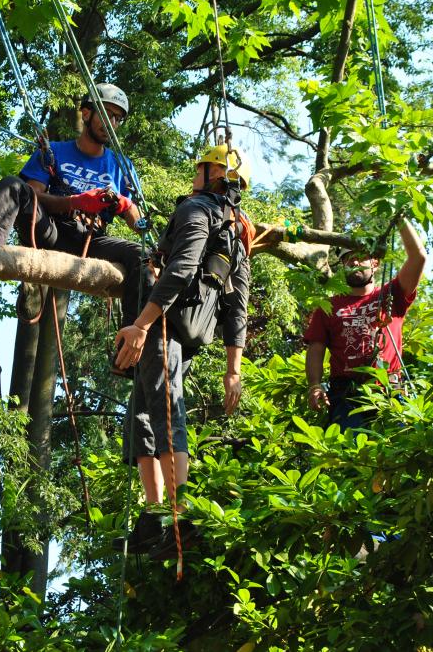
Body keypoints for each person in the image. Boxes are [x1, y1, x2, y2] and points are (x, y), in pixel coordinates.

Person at [112, 144, 253, 559]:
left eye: (201, 168)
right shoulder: (237, 234)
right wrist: (233, 368)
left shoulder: (196, 211)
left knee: (164, 409)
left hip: (164, 323)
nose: (195, 175)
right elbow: (236, 304)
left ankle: (178, 512)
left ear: (214, 174)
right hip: (190, 330)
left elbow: (183, 267)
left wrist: (143, 323)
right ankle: (156, 512)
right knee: (143, 408)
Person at [0, 83, 149, 324]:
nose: (112, 122)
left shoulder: (121, 166)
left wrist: (124, 205)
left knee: (142, 256)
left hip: (91, 241)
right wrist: (75, 201)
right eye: (106, 113)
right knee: (14, 185)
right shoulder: (54, 152)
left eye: (118, 118)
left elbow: (140, 224)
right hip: (51, 230)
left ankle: (133, 337)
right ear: (87, 113)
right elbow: (35, 195)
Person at [304, 218, 427, 429]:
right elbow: (316, 348)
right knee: (349, 454)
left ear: (375, 263)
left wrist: (398, 218)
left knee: (399, 451)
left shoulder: (392, 294)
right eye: (348, 259)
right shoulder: (328, 306)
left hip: (389, 390)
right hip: (346, 396)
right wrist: (315, 385)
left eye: (360, 257)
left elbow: (418, 257)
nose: (354, 263)